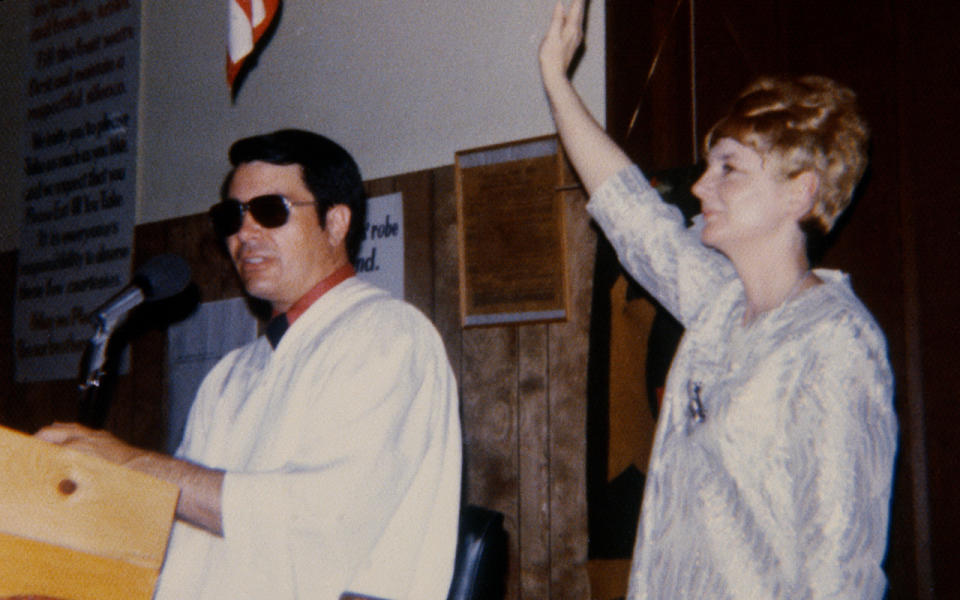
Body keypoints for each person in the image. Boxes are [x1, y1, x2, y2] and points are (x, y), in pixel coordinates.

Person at [539, 1, 897, 598]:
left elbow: (842, 570)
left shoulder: (838, 340)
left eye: (729, 167)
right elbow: (631, 214)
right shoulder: (720, 305)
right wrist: (555, 77)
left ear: (799, 193)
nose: (701, 186)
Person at [37, 129, 463, 600]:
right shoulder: (230, 375)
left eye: (270, 210)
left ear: (336, 223)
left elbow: (315, 523)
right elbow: (184, 540)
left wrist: (129, 461)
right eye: (231, 216)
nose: (244, 232)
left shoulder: (389, 336)